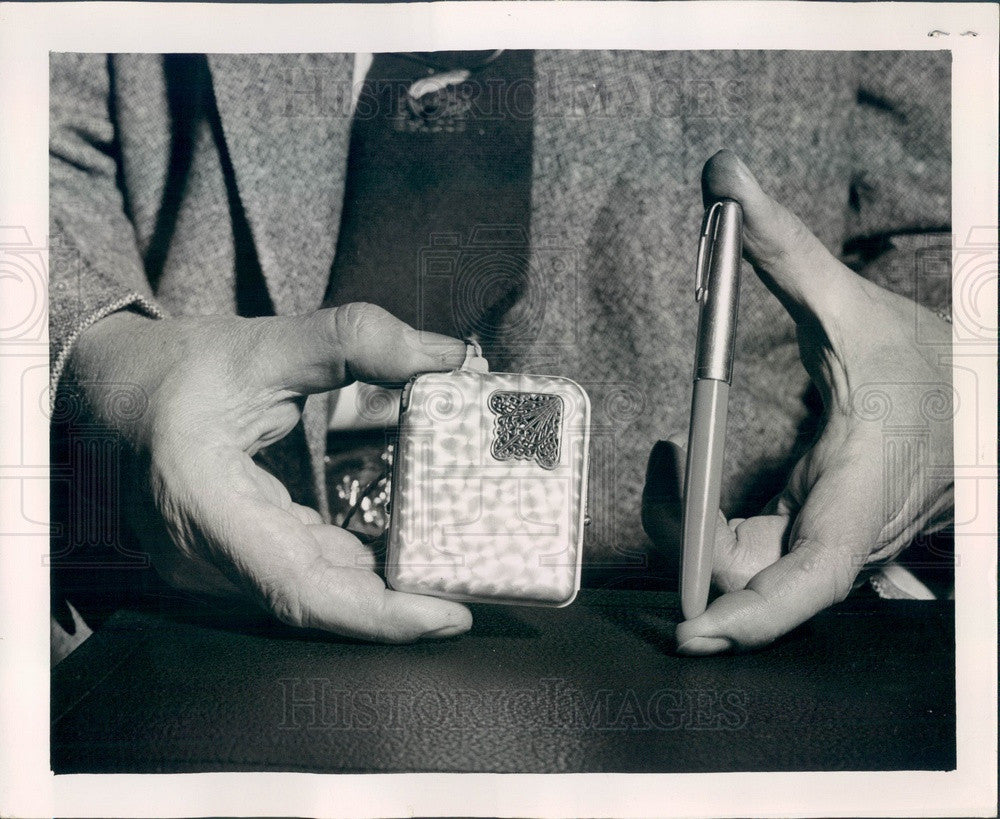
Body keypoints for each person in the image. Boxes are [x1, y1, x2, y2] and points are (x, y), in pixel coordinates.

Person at [49, 50, 953, 660]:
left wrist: (953, 385)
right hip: (188, 613)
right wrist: (105, 364)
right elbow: (43, 147)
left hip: (685, 625)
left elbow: (935, 222)